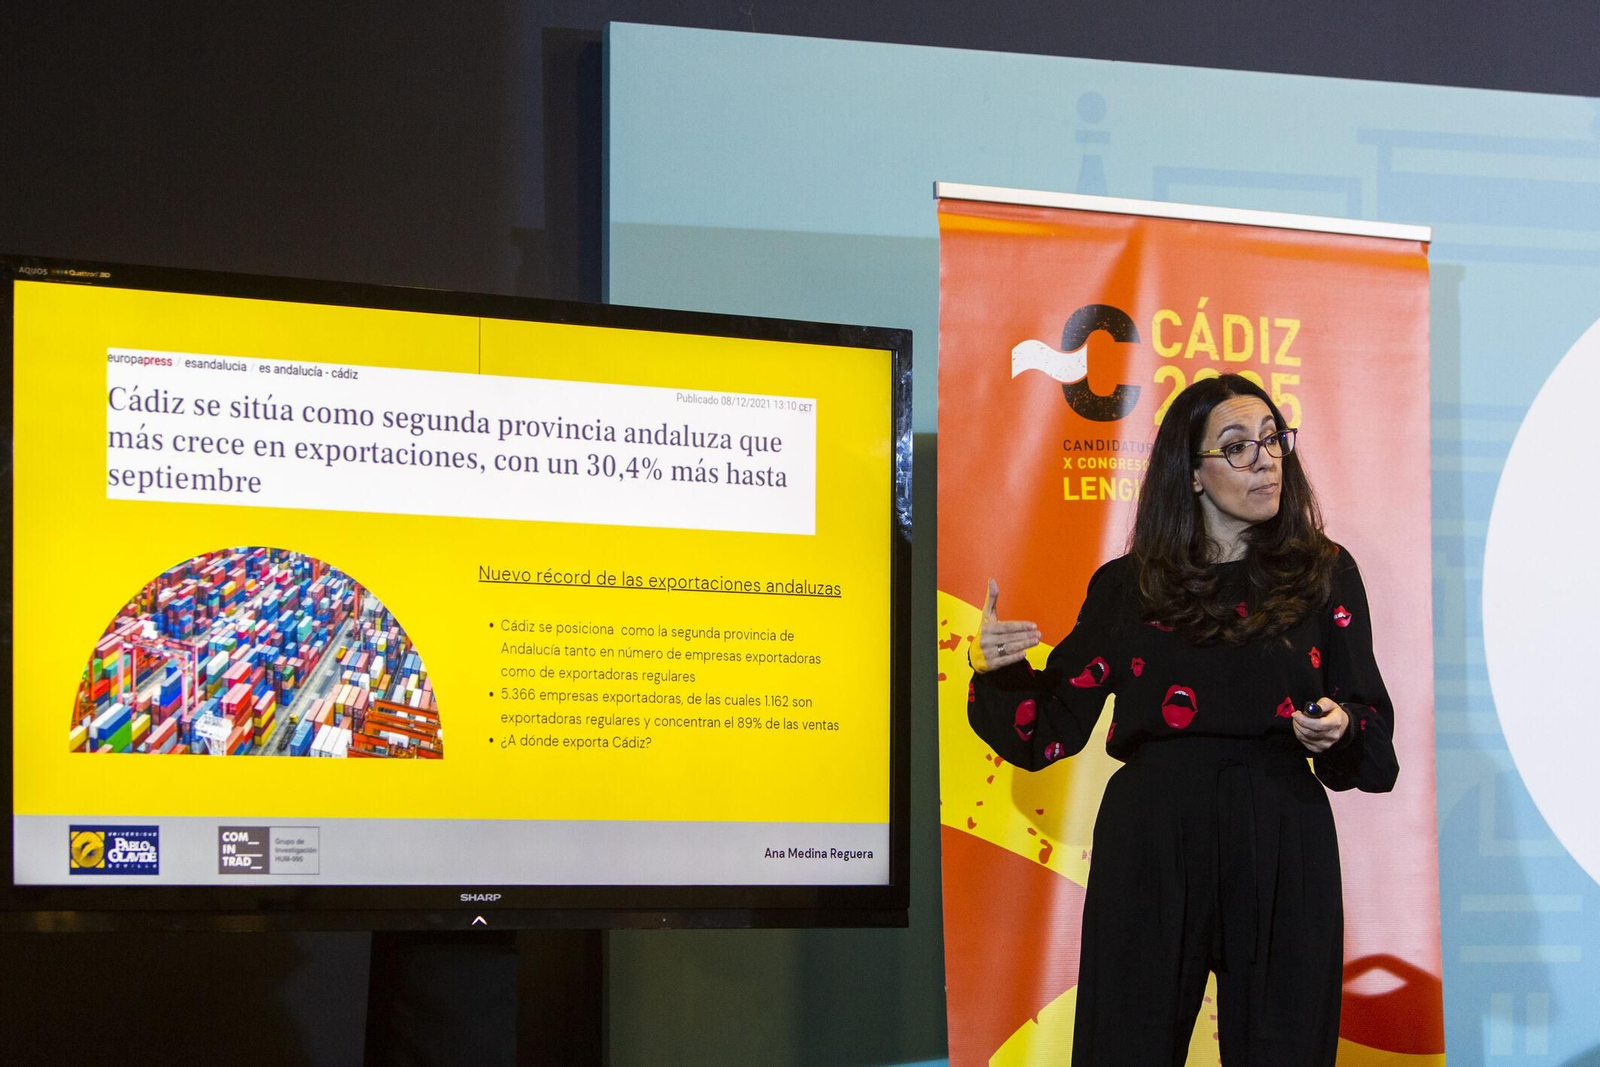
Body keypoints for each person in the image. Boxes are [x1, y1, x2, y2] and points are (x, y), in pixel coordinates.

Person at [967, 372, 1398, 1067]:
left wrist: (1342, 728)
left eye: (1271, 439)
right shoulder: (1128, 586)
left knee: (1285, 1048)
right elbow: (1048, 728)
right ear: (1191, 474)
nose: (1265, 458)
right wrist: (996, 669)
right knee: (1126, 1046)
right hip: (1153, 836)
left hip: (1282, 831)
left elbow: (1373, 739)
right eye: (1236, 446)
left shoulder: (1325, 573)